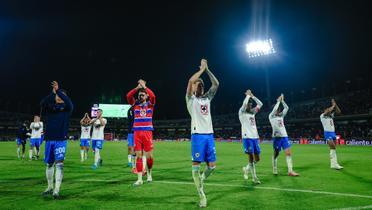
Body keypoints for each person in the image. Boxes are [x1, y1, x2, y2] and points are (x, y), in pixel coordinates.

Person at [186, 59, 219, 208]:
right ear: (193, 88)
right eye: (196, 84)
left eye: (200, 84)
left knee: (212, 167)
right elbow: (190, 80)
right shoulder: (190, 99)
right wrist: (201, 70)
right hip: (197, 135)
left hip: (209, 135)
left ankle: (201, 178)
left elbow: (216, 84)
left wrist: (207, 70)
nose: (198, 84)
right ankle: (202, 195)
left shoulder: (207, 98)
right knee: (196, 166)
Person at [40, 81, 73, 199]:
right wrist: (52, 93)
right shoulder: (51, 107)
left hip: (60, 140)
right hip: (49, 139)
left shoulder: (67, 108)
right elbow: (42, 103)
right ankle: (49, 187)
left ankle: (56, 190)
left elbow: (69, 102)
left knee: (59, 165)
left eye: (60, 95)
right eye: (57, 95)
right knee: (49, 164)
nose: (58, 97)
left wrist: (58, 91)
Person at [126, 79, 155, 186]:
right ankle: (139, 179)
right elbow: (128, 96)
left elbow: (153, 96)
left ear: (146, 96)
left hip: (147, 132)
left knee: (149, 157)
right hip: (137, 133)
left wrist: (145, 87)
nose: (140, 96)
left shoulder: (150, 105)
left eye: (142, 95)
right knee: (138, 156)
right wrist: (137, 88)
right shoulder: (135, 105)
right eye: (139, 95)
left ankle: (149, 174)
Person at [269, 94, 299, 177]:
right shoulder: (271, 116)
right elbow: (274, 108)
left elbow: (287, 108)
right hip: (276, 138)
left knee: (288, 153)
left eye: (279, 109)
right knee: (276, 153)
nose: (278, 110)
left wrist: (282, 101)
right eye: (277, 109)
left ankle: (290, 171)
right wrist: (278, 101)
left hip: (284, 136)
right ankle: (274, 168)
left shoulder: (281, 116)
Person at [239, 89, 263, 184]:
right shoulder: (242, 112)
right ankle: (254, 177)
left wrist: (252, 96)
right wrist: (247, 96)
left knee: (257, 159)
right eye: (249, 103)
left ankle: (246, 168)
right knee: (251, 158)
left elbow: (260, 104)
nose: (250, 105)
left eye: (250, 104)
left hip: (254, 137)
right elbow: (244, 104)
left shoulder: (252, 113)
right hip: (247, 137)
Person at [320, 99, 343, 170]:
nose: (329, 111)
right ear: (324, 111)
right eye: (327, 110)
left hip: (333, 133)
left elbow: (339, 112)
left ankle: (333, 164)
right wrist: (333, 105)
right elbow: (328, 111)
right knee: (333, 147)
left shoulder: (331, 116)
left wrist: (335, 105)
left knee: (333, 149)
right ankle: (335, 164)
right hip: (327, 133)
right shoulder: (322, 116)